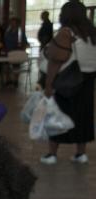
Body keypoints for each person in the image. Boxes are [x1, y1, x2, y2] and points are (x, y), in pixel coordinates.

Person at [41, 1, 96, 165]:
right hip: (88, 80)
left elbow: (56, 61)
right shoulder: (92, 32)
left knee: (58, 115)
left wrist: (49, 84)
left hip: (69, 79)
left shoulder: (65, 32)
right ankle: (81, 154)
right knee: (83, 116)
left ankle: (52, 154)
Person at [3, 17, 29, 87]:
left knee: (16, 67)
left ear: (17, 23)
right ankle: (8, 80)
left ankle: (15, 81)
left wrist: (22, 49)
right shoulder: (7, 31)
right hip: (8, 51)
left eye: (13, 22)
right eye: (11, 22)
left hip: (16, 51)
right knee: (6, 66)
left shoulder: (20, 32)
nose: (12, 24)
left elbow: (25, 43)